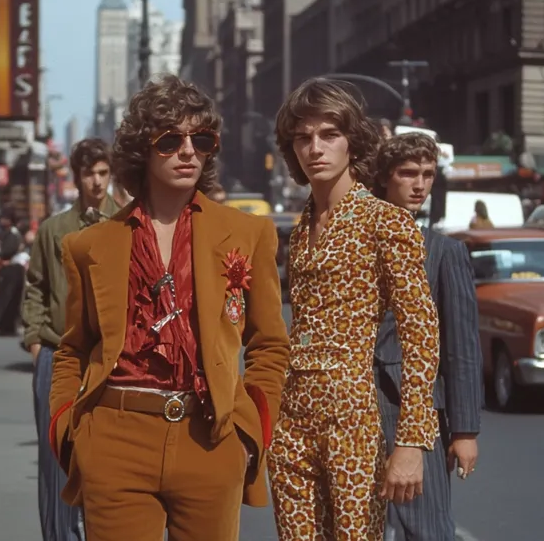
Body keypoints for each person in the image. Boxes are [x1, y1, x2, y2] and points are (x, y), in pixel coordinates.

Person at [48, 74, 290, 541]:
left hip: (211, 436)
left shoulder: (248, 234)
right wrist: (70, 435)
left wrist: (249, 432)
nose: (187, 151)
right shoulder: (88, 246)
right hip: (115, 436)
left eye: (201, 139)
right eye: (170, 139)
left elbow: (270, 344)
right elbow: (73, 349)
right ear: (143, 148)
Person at [267, 78, 440, 540]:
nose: (314, 149)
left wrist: (410, 441)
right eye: (302, 138)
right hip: (291, 419)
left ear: (352, 142)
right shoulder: (301, 228)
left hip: (353, 418)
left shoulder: (386, 220)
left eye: (328, 135)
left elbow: (421, 333)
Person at [372, 133, 482, 541]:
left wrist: (465, 430)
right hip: (356, 408)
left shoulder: (442, 251)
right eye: (408, 173)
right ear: (384, 177)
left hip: (416, 415)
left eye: (428, 175)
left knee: (428, 528)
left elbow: (463, 348)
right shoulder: (358, 242)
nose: (419, 184)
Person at [21, 136, 122, 541]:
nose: (97, 182)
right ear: (77, 178)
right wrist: (34, 341)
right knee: (55, 458)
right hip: (57, 351)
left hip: (111, 358)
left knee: (110, 459)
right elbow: (36, 287)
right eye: (89, 174)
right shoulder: (54, 229)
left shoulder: (128, 221)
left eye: (103, 173)